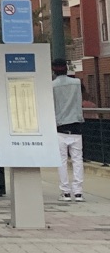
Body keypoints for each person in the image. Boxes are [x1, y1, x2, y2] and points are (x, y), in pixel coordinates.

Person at [51, 58, 85, 201]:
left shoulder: (51, 86)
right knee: (78, 160)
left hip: (60, 127)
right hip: (76, 125)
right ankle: (78, 192)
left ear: (53, 69)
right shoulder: (77, 83)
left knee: (62, 161)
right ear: (66, 68)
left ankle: (65, 192)